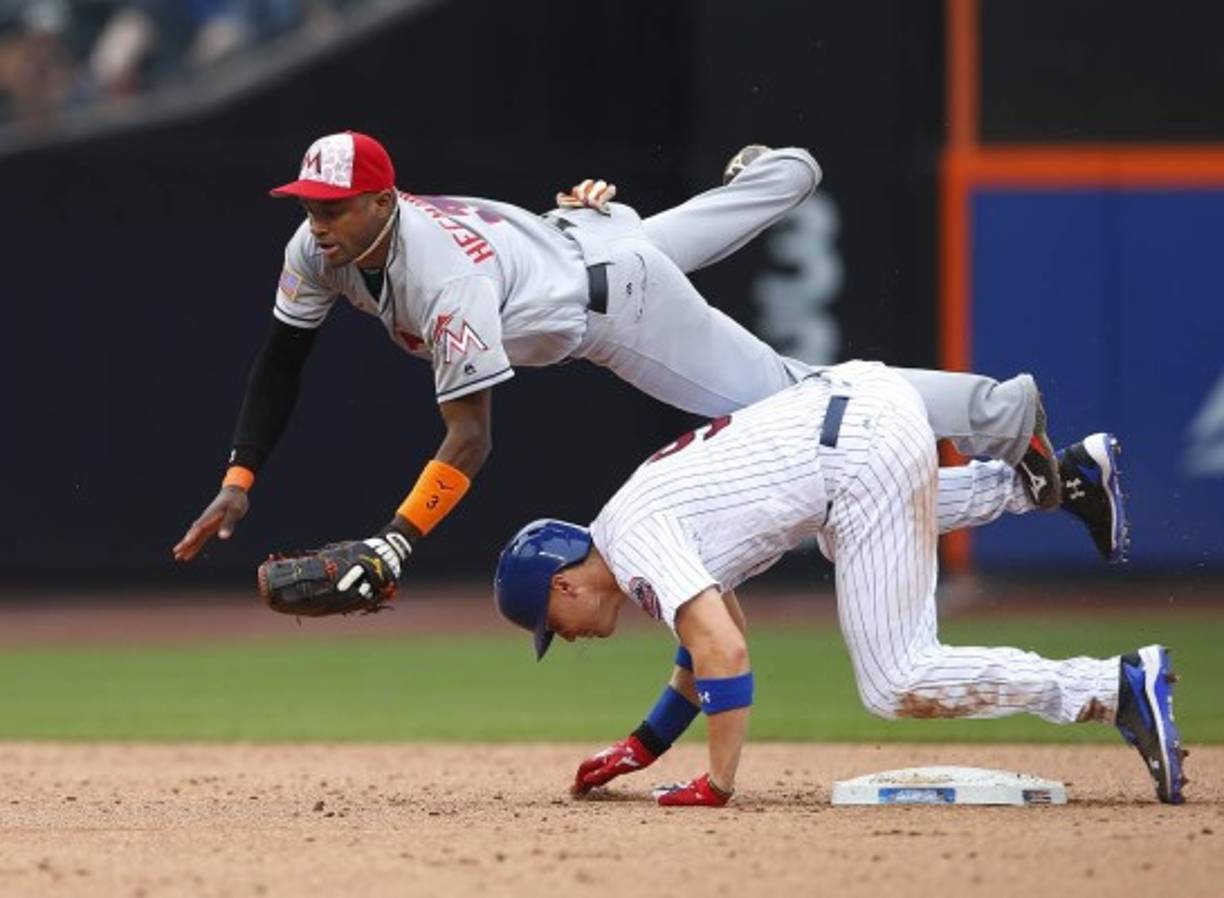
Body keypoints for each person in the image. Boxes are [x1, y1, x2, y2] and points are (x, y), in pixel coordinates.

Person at [173, 132, 1070, 600]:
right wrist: (240, 475)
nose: (317, 220)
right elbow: (282, 358)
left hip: (614, 303)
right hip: (587, 235)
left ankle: (998, 411)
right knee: (701, 224)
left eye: (334, 207)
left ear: (381, 202)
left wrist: (396, 539)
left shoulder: (439, 282)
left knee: (795, 402)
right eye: (309, 204)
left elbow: (471, 437)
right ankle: (784, 169)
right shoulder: (318, 250)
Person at [492, 361, 1184, 806]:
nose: (569, 638)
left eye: (554, 628)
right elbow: (705, 645)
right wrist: (645, 745)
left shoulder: (632, 545)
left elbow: (725, 653)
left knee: (894, 680)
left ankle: (1114, 689)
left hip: (856, 453)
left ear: (563, 587)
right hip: (858, 407)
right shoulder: (629, 528)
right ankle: (1063, 482)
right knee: (842, 533)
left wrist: (717, 785)